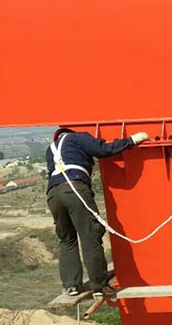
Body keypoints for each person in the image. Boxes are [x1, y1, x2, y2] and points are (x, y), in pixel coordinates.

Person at [46, 127, 148, 299]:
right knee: (90, 237)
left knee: (67, 239)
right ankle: (99, 286)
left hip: (53, 195)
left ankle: (71, 285)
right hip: (74, 189)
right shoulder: (77, 138)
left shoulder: (51, 148)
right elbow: (103, 150)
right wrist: (131, 141)